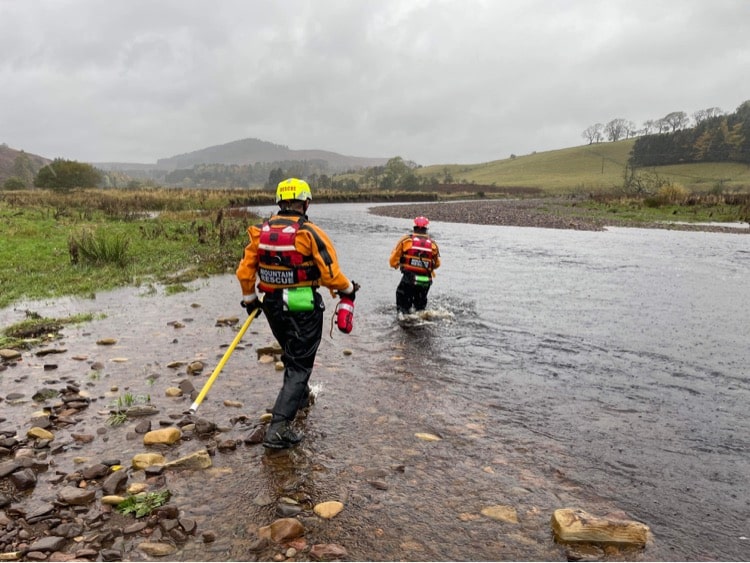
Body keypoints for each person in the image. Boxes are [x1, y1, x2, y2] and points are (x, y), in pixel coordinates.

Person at [236, 178, 359, 449]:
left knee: (293, 354)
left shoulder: (260, 231)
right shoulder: (311, 233)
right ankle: (278, 428)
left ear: (280, 202)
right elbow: (330, 275)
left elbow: (245, 271)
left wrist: (249, 300)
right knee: (301, 364)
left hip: (272, 306)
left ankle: (300, 397)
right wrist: (349, 289)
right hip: (302, 306)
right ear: (305, 203)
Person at [389, 216, 441, 314]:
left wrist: (398, 264)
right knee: (420, 310)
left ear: (414, 228)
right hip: (425, 282)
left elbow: (392, 262)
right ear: (426, 230)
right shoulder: (433, 245)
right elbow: (437, 264)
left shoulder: (405, 241)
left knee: (402, 310)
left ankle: (404, 325)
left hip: (408, 280)